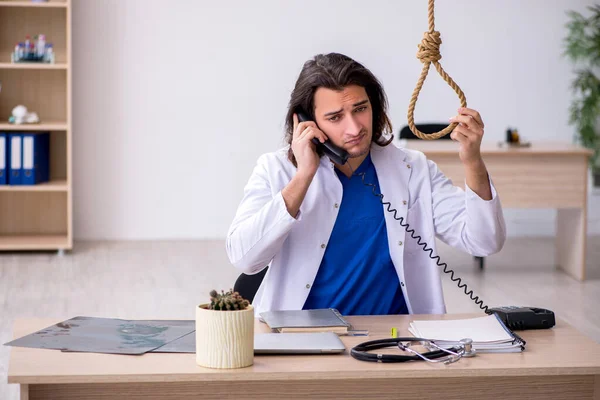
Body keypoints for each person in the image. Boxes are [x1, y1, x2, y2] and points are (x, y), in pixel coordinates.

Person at [226, 52, 506, 316]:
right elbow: (245, 258)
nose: (355, 128)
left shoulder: (412, 169)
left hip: (395, 337)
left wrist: (472, 162)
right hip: (302, 335)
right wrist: (303, 176)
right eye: (335, 117)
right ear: (306, 122)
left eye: (360, 109)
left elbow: (484, 241)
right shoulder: (276, 170)